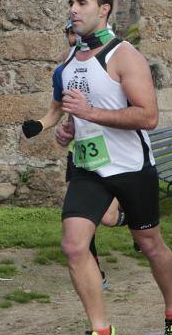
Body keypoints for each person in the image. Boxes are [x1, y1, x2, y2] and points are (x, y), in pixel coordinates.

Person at [54, 0, 172, 335]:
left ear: (104, 9)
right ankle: (101, 331)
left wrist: (89, 114)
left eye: (82, 2)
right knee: (74, 245)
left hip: (131, 168)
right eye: (71, 2)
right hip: (89, 168)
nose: (73, 9)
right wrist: (68, 129)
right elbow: (75, 116)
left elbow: (147, 115)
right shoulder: (68, 62)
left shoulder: (124, 55)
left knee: (150, 245)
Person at [21, 19, 125, 291]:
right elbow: (57, 109)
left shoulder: (115, 59)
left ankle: (135, 219)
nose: (72, 38)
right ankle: (97, 273)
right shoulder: (63, 71)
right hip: (83, 154)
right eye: (69, 34)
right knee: (82, 220)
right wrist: (40, 125)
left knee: (109, 218)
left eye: (75, 33)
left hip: (117, 150)